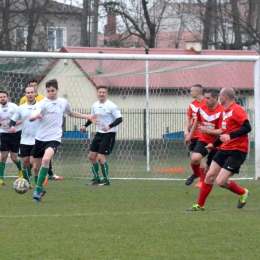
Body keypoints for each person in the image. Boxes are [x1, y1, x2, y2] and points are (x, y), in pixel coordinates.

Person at [29, 79, 98, 202]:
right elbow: (31, 117)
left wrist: (87, 116)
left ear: (57, 90)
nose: (50, 93)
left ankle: (38, 189)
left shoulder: (63, 102)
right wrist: (35, 116)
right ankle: (40, 188)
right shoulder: (42, 103)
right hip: (40, 138)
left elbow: (71, 113)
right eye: (48, 91)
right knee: (35, 168)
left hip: (54, 138)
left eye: (53, 91)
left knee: (46, 159)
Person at [187, 87, 251, 211]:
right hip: (224, 149)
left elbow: (247, 127)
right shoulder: (226, 112)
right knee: (209, 175)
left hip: (237, 151)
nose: (219, 98)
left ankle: (243, 192)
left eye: (220, 96)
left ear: (224, 97)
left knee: (221, 181)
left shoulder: (237, 110)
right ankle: (199, 206)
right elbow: (225, 133)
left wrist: (231, 136)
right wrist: (214, 144)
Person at [20, 79, 63, 181]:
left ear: (37, 89)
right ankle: (31, 180)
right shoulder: (23, 102)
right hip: (29, 136)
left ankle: (48, 174)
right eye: (31, 86)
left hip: (43, 134)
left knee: (45, 156)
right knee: (30, 162)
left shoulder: (43, 99)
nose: (33, 88)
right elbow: (24, 116)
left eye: (35, 86)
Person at [79, 86, 122, 186]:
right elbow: (92, 118)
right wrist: (84, 126)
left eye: (103, 92)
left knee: (101, 157)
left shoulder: (111, 105)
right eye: (100, 92)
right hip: (99, 133)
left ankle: (106, 181)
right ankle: (96, 179)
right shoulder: (95, 105)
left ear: (106, 94)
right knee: (91, 156)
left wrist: (109, 126)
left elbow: (119, 118)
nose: (101, 94)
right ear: (97, 93)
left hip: (109, 134)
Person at [184, 89, 225, 187]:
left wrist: (207, 130)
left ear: (215, 98)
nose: (205, 100)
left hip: (217, 143)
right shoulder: (202, 108)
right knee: (195, 158)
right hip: (204, 139)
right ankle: (196, 173)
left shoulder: (222, 111)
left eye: (208, 98)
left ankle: (202, 189)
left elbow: (222, 131)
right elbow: (196, 122)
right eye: (205, 97)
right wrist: (190, 136)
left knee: (209, 171)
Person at [10, 86, 40, 188]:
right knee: (25, 162)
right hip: (24, 139)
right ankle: (27, 183)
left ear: (35, 94)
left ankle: (36, 182)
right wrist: (12, 126)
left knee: (32, 161)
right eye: (28, 93)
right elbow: (13, 120)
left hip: (37, 139)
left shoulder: (40, 106)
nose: (30, 94)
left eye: (32, 92)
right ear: (25, 94)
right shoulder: (21, 108)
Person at [184, 84, 206, 187]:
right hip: (193, 135)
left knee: (199, 158)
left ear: (197, 92)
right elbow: (188, 118)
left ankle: (201, 180)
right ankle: (196, 174)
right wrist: (186, 131)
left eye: (191, 91)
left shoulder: (206, 103)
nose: (190, 92)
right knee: (193, 159)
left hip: (203, 135)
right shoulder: (192, 104)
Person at [0, 90, 23, 185]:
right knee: (3, 156)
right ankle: (1, 178)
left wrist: (13, 124)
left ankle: (21, 172)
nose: (2, 98)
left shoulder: (14, 107)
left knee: (14, 158)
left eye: (4, 96)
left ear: (7, 97)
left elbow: (22, 119)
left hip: (15, 133)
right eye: (0, 97)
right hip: (4, 133)